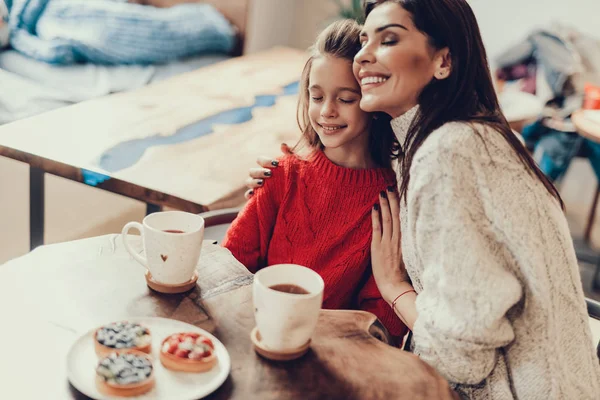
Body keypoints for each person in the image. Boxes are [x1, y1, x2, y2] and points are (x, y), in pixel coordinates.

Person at [247, 0, 600, 398]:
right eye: (365, 40)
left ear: (443, 61)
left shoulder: (449, 151)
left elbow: (460, 360)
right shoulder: (435, 142)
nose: (363, 56)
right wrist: (286, 172)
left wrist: (396, 287)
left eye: (389, 39)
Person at [222, 19, 407, 340]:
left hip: (334, 357)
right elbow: (229, 269)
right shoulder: (282, 175)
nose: (326, 111)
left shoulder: (388, 200)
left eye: (346, 99)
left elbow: (382, 323)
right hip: (259, 337)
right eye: (316, 97)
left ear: (372, 102)